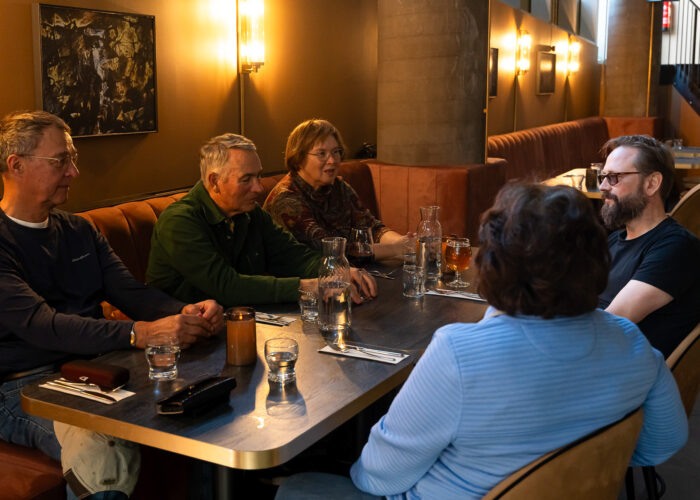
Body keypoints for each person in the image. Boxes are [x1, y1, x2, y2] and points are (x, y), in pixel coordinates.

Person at [275, 184, 688, 500]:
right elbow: (661, 444)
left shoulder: (459, 353)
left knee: (300, 485)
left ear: (491, 263)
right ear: (600, 260)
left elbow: (379, 475)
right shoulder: (631, 342)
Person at [0, 110, 224, 500]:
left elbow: (133, 294)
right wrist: (139, 332)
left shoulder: (79, 230)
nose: (73, 172)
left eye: (72, 159)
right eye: (60, 161)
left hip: (99, 369)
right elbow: (43, 325)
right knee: (102, 451)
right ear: (15, 165)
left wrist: (187, 313)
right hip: (23, 386)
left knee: (202, 412)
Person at [146, 132, 375, 307]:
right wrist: (310, 286)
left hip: (242, 323)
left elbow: (293, 255)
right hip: (182, 341)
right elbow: (227, 286)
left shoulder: (250, 213)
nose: (258, 188)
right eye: (246, 179)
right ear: (214, 181)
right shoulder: (179, 222)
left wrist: (336, 271)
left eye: (259, 176)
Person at [597, 135, 700, 358]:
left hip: (629, 378)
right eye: (603, 176)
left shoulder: (676, 248)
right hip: (596, 359)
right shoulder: (614, 241)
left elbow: (611, 324)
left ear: (652, 183)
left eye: (614, 177)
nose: (603, 186)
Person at [263, 119, 409, 261]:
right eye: (321, 153)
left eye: (336, 152)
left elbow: (372, 227)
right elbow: (330, 251)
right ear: (299, 158)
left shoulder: (339, 187)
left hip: (346, 274)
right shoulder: (287, 200)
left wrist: (406, 242)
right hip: (305, 280)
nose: (332, 160)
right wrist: (397, 249)